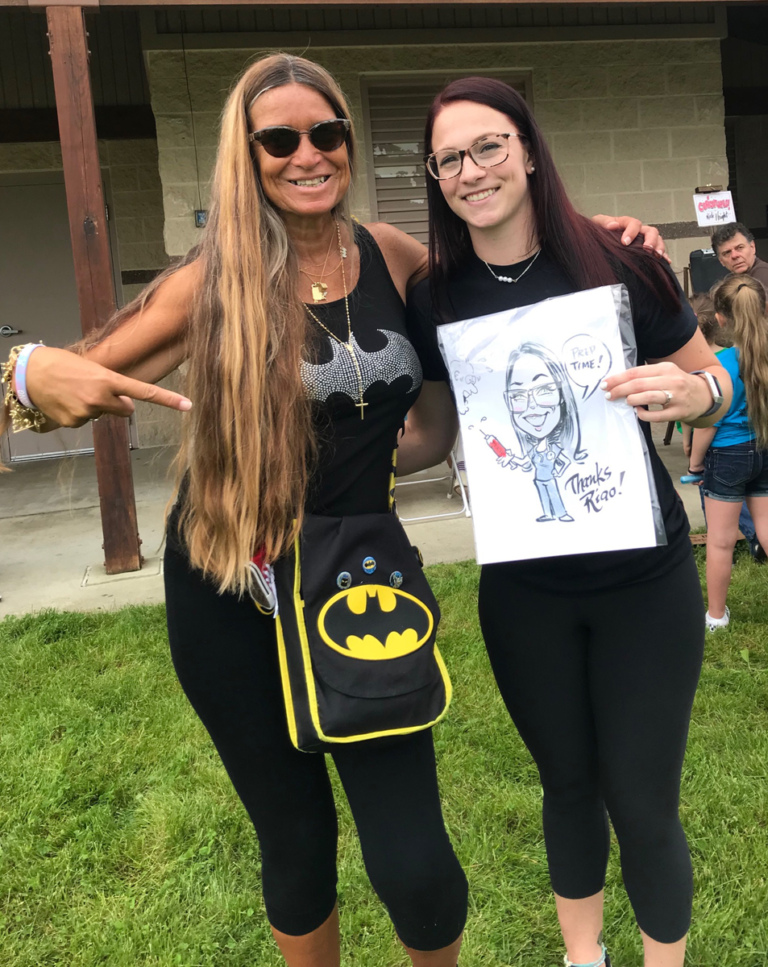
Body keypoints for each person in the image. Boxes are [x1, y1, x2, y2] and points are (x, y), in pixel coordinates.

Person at [1, 53, 664, 967]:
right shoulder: (211, 282)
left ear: (348, 142)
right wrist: (32, 370)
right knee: (297, 844)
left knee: (420, 869)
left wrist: (604, 241)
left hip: (360, 584)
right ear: (249, 154)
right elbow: (61, 383)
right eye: (278, 138)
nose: (306, 154)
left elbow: (508, 282)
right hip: (231, 585)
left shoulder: (394, 257)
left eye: (326, 132)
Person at [407, 77, 731, 967]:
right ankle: (581, 959)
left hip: (645, 579)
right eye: (449, 159)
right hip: (526, 590)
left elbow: (719, 387)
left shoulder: (620, 260)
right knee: (568, 785)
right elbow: (430, 434)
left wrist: (697, 391)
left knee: (642, 798)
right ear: (435, 178)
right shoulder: (436, 298)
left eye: (489, 146)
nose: (471, 170)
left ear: (527, 148)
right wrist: (333, 451)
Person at [688, 274, 768, 631]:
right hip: (764, 448)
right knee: (766, 525)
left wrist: (694, 462)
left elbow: (707, 425)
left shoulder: (721, 365)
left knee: (720, 541)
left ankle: (716, 617)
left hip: (727, 456)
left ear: (719, 318)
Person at [682, 293, 765, 563]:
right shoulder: (745, 354)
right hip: (757, 442)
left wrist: (694, 462)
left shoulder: (710, 369)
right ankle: (754, 541)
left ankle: (717, 603)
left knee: (719, 531)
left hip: (722, 450)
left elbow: (707, 423)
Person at [500, 342, 587, 523]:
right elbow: (524, 463)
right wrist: (509, 458)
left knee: (554, 494)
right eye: (517, 395)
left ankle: (561, 514)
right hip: (539, 480)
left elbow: (563, 461)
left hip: (550, 479)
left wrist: (557, 471)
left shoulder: (554, 447)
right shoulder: (533, 449)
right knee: (544, 495)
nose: (532, 405)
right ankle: (548, 514)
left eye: (545, 390)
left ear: (562, 394)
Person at [711, 222, 768, 291]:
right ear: (721, 260)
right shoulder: (730, 282)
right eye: (727, 252)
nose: (734, 256)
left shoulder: (764, 276)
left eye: (740, 248)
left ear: (752, 247)